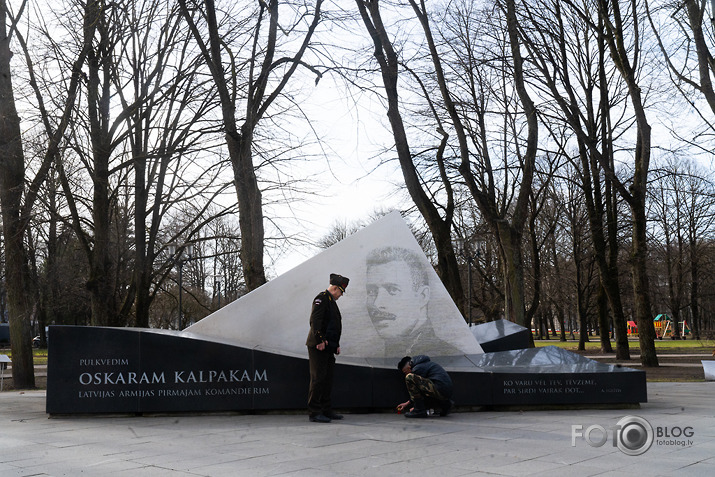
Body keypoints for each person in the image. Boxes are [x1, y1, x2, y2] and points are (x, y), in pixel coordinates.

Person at [365, 246, 462, 357]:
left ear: (422, 296)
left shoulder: (448, 357)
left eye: (393, 290)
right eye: (372, 291)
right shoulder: (390, 352)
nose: (377, 304)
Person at [305, 273, 349, 423]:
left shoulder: (330, 301)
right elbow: (315, 321)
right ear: (336, 288)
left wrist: (335, 345)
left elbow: (332, 325)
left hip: (328, 347)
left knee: (327, 379)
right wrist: (320, 339)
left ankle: (326, 409)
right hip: (319, 345)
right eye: (340, 293)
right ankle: (314, 412)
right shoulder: (322, 298)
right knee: (318, 379)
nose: (340, 296)